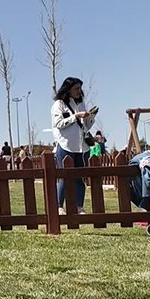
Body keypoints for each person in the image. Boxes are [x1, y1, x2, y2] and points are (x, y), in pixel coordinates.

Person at [51, 76, 97, 214]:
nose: (79, 91)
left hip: (82, 146)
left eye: (80, 88)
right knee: (63, 177)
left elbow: (85, 127)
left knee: (79, 177)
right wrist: (75, 117)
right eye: (76, 88)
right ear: (68, 89)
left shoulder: (81, 103)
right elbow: (58, 124)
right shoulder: (59, 105)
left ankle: (79, 206)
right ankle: (59, 206)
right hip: (65, 144)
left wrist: (90, 118)